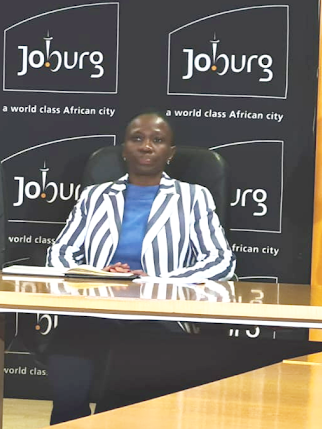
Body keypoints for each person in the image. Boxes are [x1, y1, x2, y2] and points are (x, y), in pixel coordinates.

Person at [44, 111, 235, 423]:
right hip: (94, 307)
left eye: (157, 140)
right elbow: (60, 252)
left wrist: (158, 281)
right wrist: (96, 276)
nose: (147, 146)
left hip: (158, 312)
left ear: (170, 153)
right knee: (67, 396)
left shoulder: (193, 197)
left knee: (119, 406)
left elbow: (221, 261)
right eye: (138, 139)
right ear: (124, 149)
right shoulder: (95, 196)